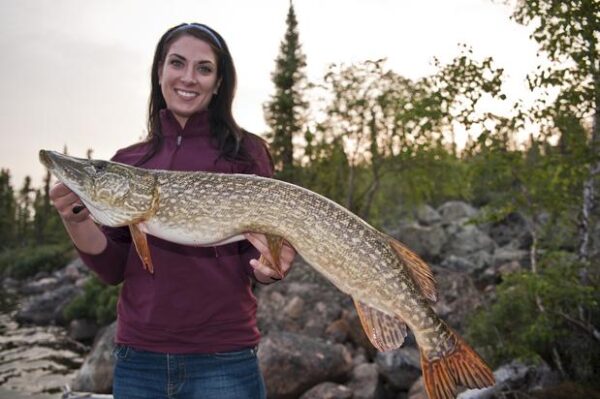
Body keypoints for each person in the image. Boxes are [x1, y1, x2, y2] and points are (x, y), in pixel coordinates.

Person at [49, 22, 295, 399]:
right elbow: (114, 268)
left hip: (224, 357)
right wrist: (75, 218)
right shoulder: (128, 163)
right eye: (177, 63)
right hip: (139, 356)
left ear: (218, 83)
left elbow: (257, 257)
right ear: (160, 71)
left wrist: (270, 266)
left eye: (204, 68)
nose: (188, 78)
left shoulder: (245, 153)